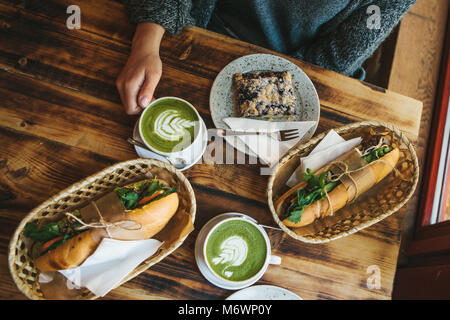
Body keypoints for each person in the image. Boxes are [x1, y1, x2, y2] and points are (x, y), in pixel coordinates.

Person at [116, 0, 416, 115]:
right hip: (190, 27)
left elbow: (333, 57)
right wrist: (147, 39)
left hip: (296, 74)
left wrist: (252, 106)